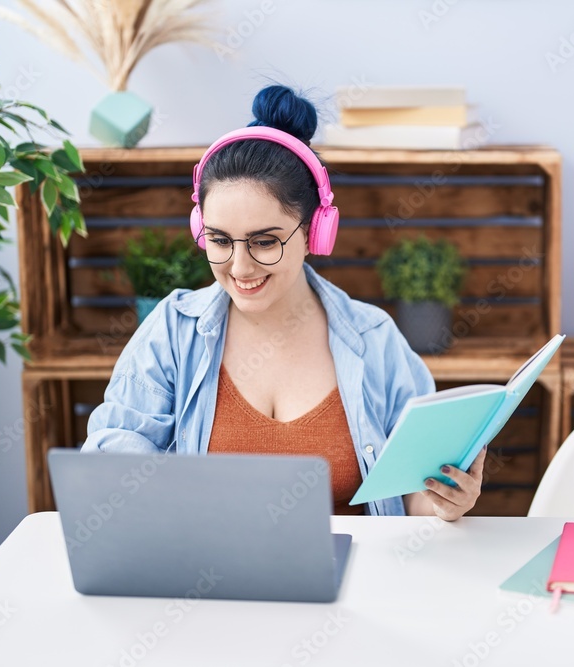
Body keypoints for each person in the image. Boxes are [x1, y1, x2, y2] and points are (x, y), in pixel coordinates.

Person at [81, 85, 484, 520]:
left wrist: (444, 501)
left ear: (316, 232)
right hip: (208, 580)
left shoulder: (375, 338)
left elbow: (413, 494)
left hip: (359, 582)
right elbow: (116, 459)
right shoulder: (172, 331)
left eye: (264, 241)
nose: (239, 267)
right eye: (218, 239)